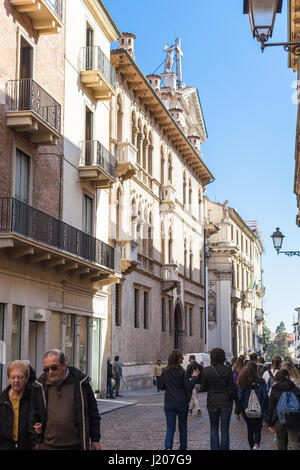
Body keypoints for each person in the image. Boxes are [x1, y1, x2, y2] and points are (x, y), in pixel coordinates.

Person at [28, 349, 101, 450]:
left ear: (64, 365)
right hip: (47, 446)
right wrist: (36, 442)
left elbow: (93, 413)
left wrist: (95, 439)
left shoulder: (80, 383)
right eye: (46, 369)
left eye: (54, 368)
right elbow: (33, 417)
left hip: (76, 446)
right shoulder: (39, 387)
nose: (50, 372)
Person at [159, 349, 199, 450]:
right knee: (183, 428)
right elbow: (189, 387)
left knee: (170, 428)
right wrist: (193, 378)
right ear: (178, 359)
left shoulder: (165, 370)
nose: (183, 359)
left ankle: (168, 448)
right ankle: (182, 448)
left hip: (169, 402)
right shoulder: (182, 371)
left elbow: (161, 386)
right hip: (181, 402)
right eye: (181, 357)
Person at [201, 347, 237, 450]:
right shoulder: (227, 370)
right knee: (225, 429)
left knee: (213, 427)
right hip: (226, 402)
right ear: (223, 357)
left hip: (212, 401)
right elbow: (231, 386)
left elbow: (204, 387)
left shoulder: (206, 370)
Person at [0, 360, 33, 450]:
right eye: (12, 377)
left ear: (26, 378)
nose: (16, 381)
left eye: (20, 377)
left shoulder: (33, 398)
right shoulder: (2, 400)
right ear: (9, 378)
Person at [235, 361, 269, 450]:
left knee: (250, 429)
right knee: (258, 428)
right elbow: (265, 396)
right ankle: (256, 444)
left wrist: (238, 410)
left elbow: (240, 397)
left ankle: (252, 447)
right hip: (259, 409)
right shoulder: (261, 381)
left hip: (246, 409)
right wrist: (265, 408)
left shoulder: (242, 381)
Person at [268, 369, 300, 450]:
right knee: (294, 441)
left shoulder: (274, 389)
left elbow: (271, 408)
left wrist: (270, 423)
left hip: (279, 418)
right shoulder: (295, 388)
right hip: (294, 418)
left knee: (281, 440)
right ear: (287, 376)